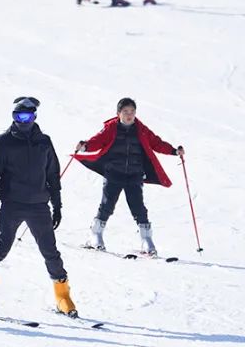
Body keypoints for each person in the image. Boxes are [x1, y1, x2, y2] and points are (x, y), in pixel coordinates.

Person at [0, 97, 77, 318]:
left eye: (26, 116)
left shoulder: (44, 142)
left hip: (38, 206)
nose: (21, 121)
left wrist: (57, 205)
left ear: (34, 117)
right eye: (17, 116)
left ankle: (63, 296)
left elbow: (53, 174)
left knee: (50, 252)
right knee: (1, 248)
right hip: (12, 204)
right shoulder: (3, 141)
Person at [74, 98, 183, 256]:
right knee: (107, 204)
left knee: (138, 207)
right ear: (118, 113)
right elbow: (98, 141)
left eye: (132, 112)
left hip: (134, 174)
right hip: (113, 173)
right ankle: (95, 235)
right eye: (125, 112)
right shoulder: (111, 128)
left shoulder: (141, 129)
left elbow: (156, 143)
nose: (129, 115)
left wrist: (174, 151)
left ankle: (147, 240)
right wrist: (85, 146)